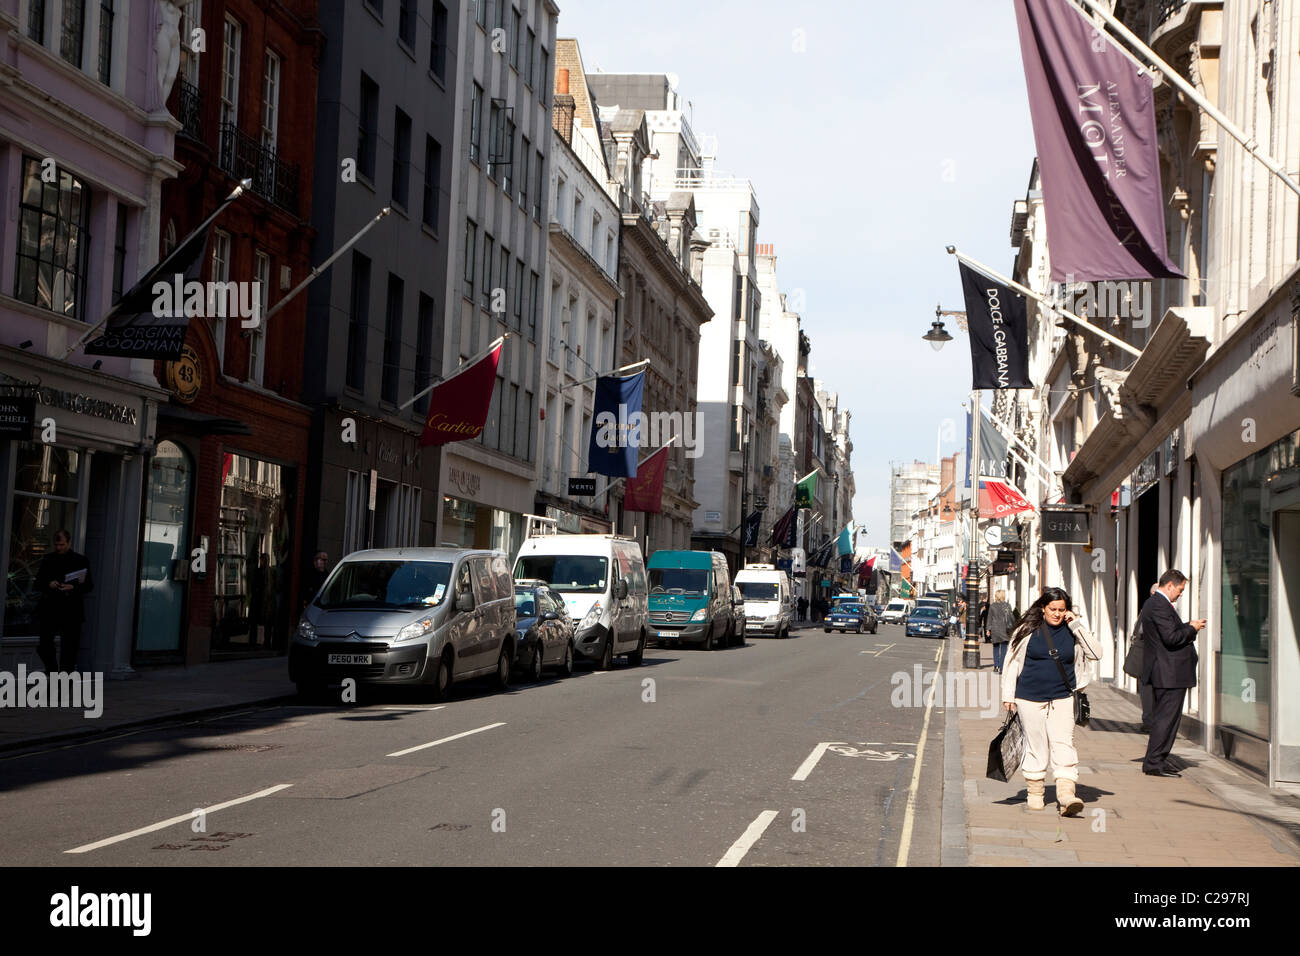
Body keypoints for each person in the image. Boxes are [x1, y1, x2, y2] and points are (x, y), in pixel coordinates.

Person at [1001, 586, 1102, 816]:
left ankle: (1066, 795)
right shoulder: (1027, 630)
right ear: (1043, 608)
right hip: (1029, 697)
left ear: (1068, 610)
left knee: (1063, 743)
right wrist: (1008, 695)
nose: (1057, 614)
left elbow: (1096, 653)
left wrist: (1076, 625)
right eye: (1052, 609)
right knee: (1036, 746)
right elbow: (1012, 663)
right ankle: (1035, 793)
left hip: (1063, 697)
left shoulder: (1073, 631)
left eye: (1061, 609)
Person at [1139, 570, 1205, 777]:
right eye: (1180, 589)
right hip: (1169, 673)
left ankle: (1158, 759)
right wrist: (1192, 628)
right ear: (1169, 586)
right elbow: (1171, 638)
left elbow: (1168, 634)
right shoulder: (1158, 604)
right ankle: (1154, 763)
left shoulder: (1156, 604)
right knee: (1166, 719)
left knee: (1166, 719)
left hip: (1169, 672)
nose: (1181, 594)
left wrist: (1187, 626)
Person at [35, 530, 94, 672]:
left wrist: (72, 587)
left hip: (71, 609)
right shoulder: (48, 559)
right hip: (51, 608)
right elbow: (38, 582)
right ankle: (53, 670)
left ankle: (64, 680)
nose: (59, 548)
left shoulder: (80, 560)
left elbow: (89, 585)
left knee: (69, 648)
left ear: (69, 542)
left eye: (62, 544)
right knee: (44, 645)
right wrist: (49, 584)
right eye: (56, 545)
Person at [1122, 583, 1159, 731]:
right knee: (1147, 689)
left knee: (1147, 689)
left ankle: (1149, 720)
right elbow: (1144, 632)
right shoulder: (1151, 609)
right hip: (1148, 656)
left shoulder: (1147, 608)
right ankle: (1149, 721)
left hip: (1148, 656)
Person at [986, 589, 1015, 673]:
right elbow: (1011, 617)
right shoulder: (1007, 605)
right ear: (1003, 596)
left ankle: (996, 666)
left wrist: (988, 629)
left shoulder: (993, 606)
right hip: (1004, 629)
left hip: (995, 629)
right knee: (1003, 649)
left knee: (995, 648)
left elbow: (989, 618)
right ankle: (1002, 668)